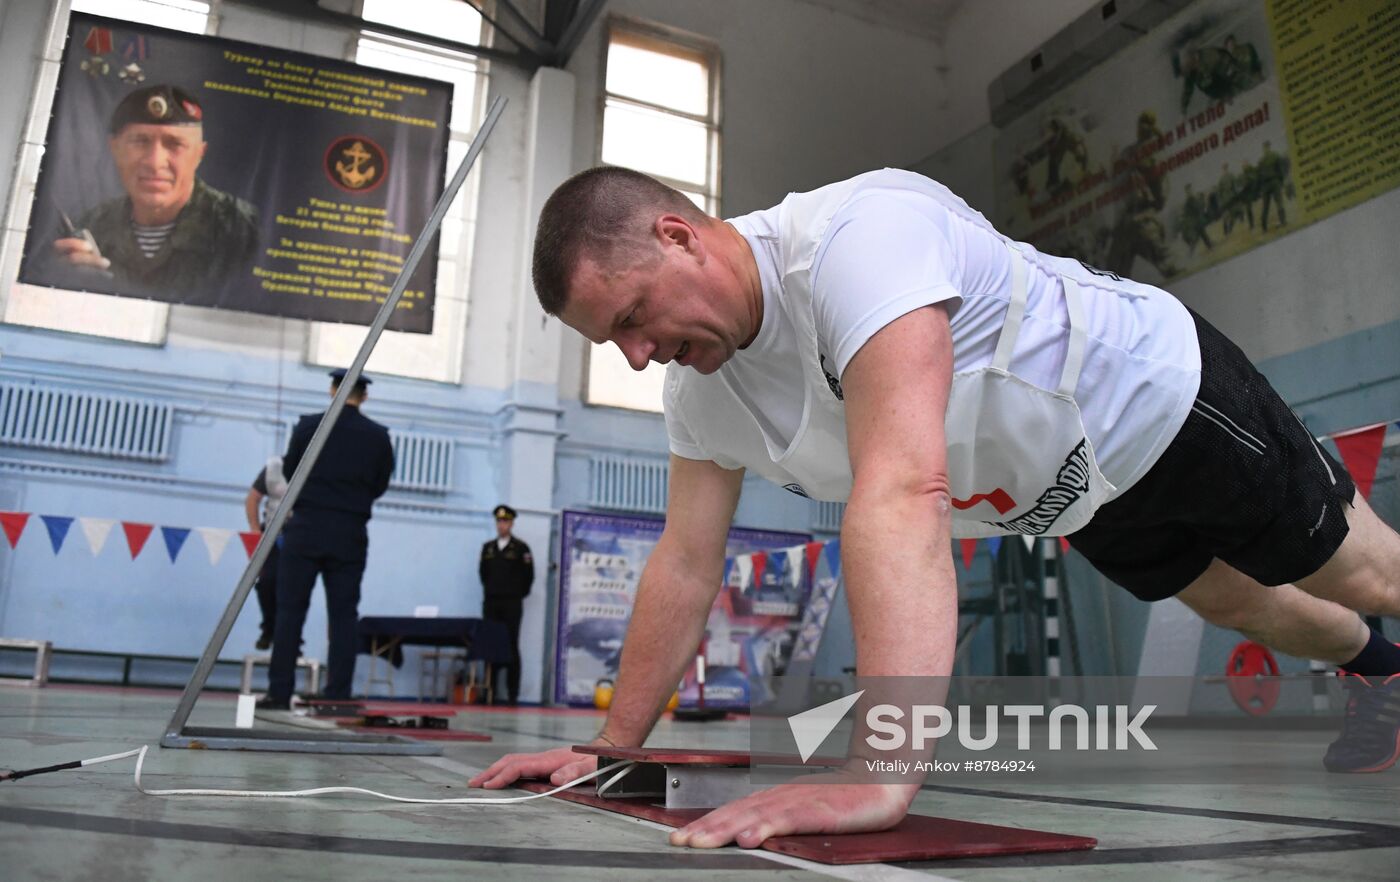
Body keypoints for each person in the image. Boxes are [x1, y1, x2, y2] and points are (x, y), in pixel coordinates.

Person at [470, 165, 1400, 848]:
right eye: (614, 343)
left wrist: (878, 770)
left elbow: (904, 488)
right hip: (1069, 497)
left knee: (1361, 569)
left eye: (633, 317)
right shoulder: (698, 395)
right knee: (1239, 600)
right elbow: (685, 559)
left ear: (678, 234)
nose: (637, 354)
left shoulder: (856, 241)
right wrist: (612, 750)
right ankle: (1385, 672)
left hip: (1155, 397)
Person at [259, 369, 395, 710]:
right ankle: (337, 694)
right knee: (344, 615)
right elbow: (380, 483)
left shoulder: (307, 426)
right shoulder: (378, 436)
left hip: (305, 527)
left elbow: (291, 471)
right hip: (349, 531)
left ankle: (279, 691)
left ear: (332, 390)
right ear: (364, 396)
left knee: (289, 611)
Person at [49, 84, 259, 294]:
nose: (155, 162)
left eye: (175, 144)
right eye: (140, 141)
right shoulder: (88, 227)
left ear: (199, 154)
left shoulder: (246, 230)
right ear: (115, 148)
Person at [479, 504, 534, 705]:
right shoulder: (488, 548)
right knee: (490, 645)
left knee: (511, 645)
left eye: (505, 521)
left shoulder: (521, 548)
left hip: (512, 603)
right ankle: (489, 690)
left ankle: (512, 693)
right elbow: (483, 575)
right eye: (499, 521)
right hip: (492, 602)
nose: (502, 525)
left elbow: (529, 577)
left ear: (511, 523)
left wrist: (516, 594)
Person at [244, 455, 288, 651]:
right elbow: (252, 499)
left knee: (294, 589)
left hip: (301, 536)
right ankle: (268, 628)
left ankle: (292, 636)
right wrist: (255, 532)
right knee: (267, 582)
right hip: (271, 534)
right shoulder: (274, 467)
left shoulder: (317, 467)